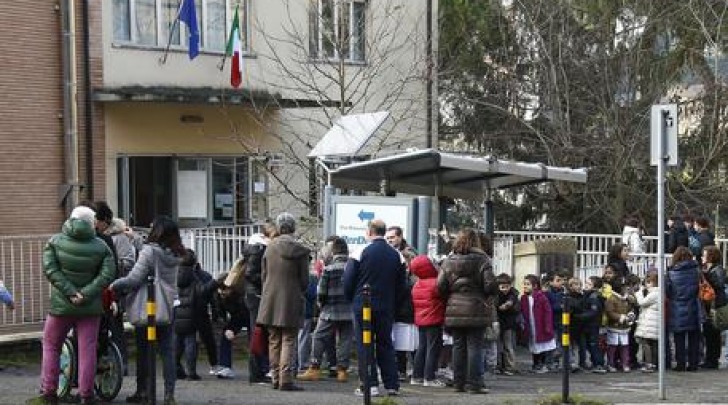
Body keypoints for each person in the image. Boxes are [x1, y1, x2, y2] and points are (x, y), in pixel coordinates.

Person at [28, 206, 116, 405]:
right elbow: (107, 275)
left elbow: (50, 270)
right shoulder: (101, 246)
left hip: (61, 306)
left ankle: (49, 392)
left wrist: (70, 291)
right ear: (90, 222)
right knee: (88, 349)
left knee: (51, 345)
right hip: (90, 307)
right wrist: (85, 294)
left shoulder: (55, 242)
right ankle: (86, 395)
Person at [111, 216, 184, 405]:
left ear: (157, 232)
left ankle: (143, 391)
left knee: (144, 350)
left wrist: (114, 285)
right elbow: (153, 253)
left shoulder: (150, 252)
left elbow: (134, 278)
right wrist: (135, 238)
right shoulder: (176, 253)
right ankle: (169, 394)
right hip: (169, 305)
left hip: (149, 306)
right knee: (167, 351)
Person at [344, 219, 407, 398]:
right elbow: (402, 285)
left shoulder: (360, 252)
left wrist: (353, 299)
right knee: (386, 343)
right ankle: (392, 384)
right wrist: (394, 303)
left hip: (362, 304)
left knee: (365, 345)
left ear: (370, 232)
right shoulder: (397, 255)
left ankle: (369, 384)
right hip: (386, 306)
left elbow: (348, 281)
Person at [256, 213, 311, 392]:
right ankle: (285, 379)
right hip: (291, 299)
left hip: (270, 299)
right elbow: (305, 281)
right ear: (294, 227)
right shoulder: (301, 251)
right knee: (288, 339)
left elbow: (264, 276)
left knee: (274, 340)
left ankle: (275, 376)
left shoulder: (269, 248)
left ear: (279, 227)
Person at [437, 228, 496, 394]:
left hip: (454, 307)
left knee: (458, 346)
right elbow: (490, 285)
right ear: (475, 241)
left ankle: (458, 383)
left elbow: (440, 286)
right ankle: (474, 384)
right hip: (477, 306)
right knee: (475, 346)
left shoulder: (449, 260)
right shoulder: (483, 259)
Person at [299, 236, 354, 383]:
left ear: (334, 252)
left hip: (330, 310)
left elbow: (321, 292)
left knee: (318, 337)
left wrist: (321, 305)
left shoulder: (329, 269)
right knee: (345, 340)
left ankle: (314, 368)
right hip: (349, 310)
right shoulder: (353, 267)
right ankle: (342, 371)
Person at [174, 249, 218, 380]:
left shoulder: (173, 274)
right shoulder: (196, 276)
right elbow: (202, 292)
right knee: (190, 342)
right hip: (193, 313)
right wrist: (215, 283)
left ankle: (175, 368)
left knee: (177, 342)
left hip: (176, 313)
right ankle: (191, 372)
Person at [241, 226, 275, 382]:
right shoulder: (258, 249)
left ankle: (258, 371)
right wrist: (265, 282)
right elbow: (251, 274)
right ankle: (256, 372)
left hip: (253, 294)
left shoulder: (254, 247)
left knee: (257, 333)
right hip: (257, 295)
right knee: (258, 333)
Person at [409, 255, 446, 387]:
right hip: (434, 320)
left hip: (421, 320)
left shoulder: (417, 284)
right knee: (433, 348)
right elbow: (444, 296)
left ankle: (416, 376)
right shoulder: (435, 283)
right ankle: (429, 377)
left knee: (422, 347)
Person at [666, 246, 701, 371]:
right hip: (693, 306)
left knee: (679, 337)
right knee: (694, 337)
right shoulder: (696, 271)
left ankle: (680, 364)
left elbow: (668, 291)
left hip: (677, 307)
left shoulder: (671, 272)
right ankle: (693, 364)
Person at [520, 274, 555, 374]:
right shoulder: (523, 298)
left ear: (535, 286)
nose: (525, 286)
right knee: (534, 345)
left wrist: (548, 325)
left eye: (528, 284)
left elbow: (548, 312)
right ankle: (535, 364)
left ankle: (542, 364)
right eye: (524, 284)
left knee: (542, 346)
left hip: (540, 326)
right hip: (530, 325)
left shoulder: (541, 297)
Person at [700, 245, 725, 369]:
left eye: (704, 255)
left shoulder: (717, 269)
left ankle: (712, 359)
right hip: (709, 304)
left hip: (715, 305)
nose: (702, 257)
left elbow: (719, 284)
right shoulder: (708, 269)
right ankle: (710, 358)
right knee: (709, 332)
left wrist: (707, 277)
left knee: (712, 332)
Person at [494, 273, 520, 376]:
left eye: (507, 287)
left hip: (509, 324)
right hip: (498, 322)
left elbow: (517, 308)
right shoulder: (496, 295)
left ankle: (510, 367)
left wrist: (509, 306)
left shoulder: (513, 295)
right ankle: (498, 365)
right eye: (502, 287)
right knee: (497, 346)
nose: (505, 289)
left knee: (508, 346)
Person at [635, 271, 660, 373]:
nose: (646, 285)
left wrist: (639, 293)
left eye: (649, 282)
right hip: (654, 322)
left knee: (645, 342)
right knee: (653, 343)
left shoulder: (654, 293)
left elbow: (642, 303)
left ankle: (649, 364)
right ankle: (653, 364)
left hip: (649, 322)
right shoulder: (658, 292)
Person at [583, 276, 606, 373]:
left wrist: (580, 316)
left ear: (595, 287)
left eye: (588, 284)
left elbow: (593, 312)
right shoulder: (589, 295)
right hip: (590, 324)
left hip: (593, 325)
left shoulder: (594, 297)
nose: (586, 286)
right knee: (591, 344)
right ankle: (596, 362)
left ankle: (598, 364)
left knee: (593, 344)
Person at [545, 270, 567, 370]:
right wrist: (560, 306)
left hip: (563, 322)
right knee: (552, 343)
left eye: (562, 280)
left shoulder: (565, 292)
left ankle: (557, 362)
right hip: (552, 322)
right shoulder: (547, 293)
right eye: (558, 280)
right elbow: (549, 307)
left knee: (562, 344)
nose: (561, 282)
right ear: (551, 282)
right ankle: (550, 362)